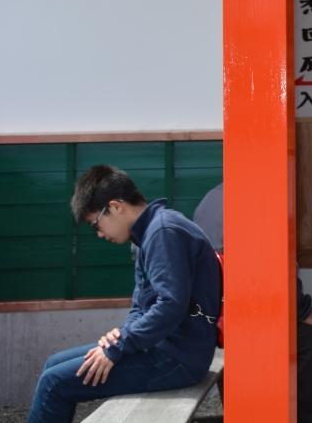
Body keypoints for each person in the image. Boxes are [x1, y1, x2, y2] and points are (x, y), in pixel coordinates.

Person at [27, 165, 221, 423]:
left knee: (54, 384)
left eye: (95, 224)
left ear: (116, 207)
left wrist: (119, 346)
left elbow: (170, 305)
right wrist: (120, 336)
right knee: (54, 364)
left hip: (178, 359)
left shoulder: (163, 232)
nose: (99, 234)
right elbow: (141, 306)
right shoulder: (148, 233)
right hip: (165, 348)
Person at [192, 182, 312, 423]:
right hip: (243, 314)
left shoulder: (211, 198)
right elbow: (275, 263)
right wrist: (302, 312)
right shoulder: (255, 198)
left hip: (216, 313)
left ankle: (246, 411)